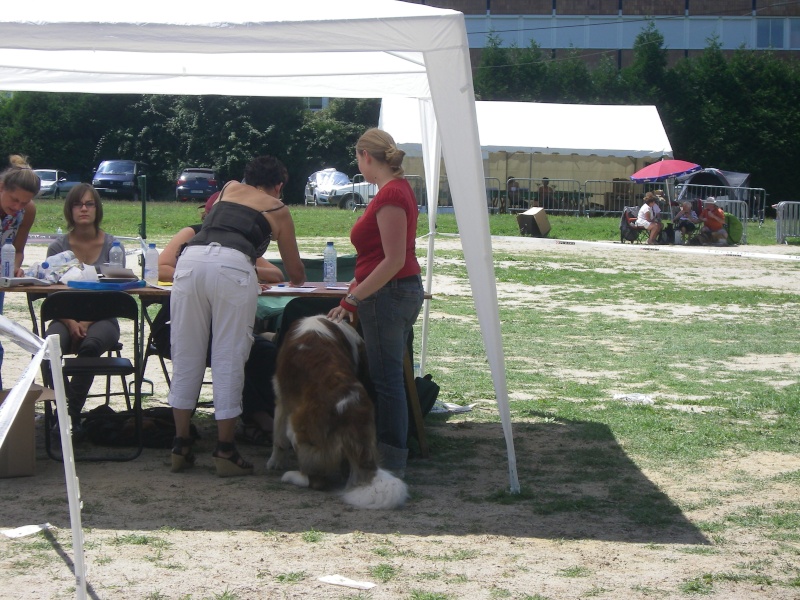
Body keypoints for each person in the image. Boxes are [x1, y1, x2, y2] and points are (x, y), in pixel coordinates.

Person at [168, 155, 305, 477]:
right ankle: (225, 450)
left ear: (246, 177)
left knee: (186, 354)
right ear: (279, 186)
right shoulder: (278, 209)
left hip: (190, 261)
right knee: (229, 356)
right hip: (232, 266)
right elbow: (296, 273)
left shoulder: (229, 189)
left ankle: (181, 444)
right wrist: (290, 277)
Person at [327, 128, 424, 477]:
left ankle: (391, 461)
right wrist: (355, 289)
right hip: (392, 291)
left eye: (357, 158)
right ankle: (390, 456)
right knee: (388, 379)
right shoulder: (394, 191)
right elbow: (381, 255)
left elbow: (394, 260)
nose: (358, 165)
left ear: (366, 156)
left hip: (390, 294)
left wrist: (353, 297)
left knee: (387, 382)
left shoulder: (390, 195)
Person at [156, 195, 284, 445]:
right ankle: (251, 422)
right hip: (180, 322)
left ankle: (263, 417)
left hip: (223, 322)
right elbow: (161, 268)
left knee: (263, 351)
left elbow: (277, 273)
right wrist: (212, 274)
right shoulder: (192, 234)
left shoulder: (238, 242)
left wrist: (241, 270)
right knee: (226, 355)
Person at [45, 185, 125, 438]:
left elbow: (117, 293)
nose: (83, 209)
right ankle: (67, 413)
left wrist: (88, 322)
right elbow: (52, 294)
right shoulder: (57, 247)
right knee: (49, 347)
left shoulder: (113, 245)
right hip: (65, 316)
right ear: (69, 210)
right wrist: (70, 322)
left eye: (89, 204)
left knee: (90, 346)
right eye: (78, 204)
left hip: (102, 318)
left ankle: (70, 414)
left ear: (97, 208)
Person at [0, 155, 40, 390]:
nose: (17, 208)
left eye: (24, 203)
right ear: (2, 187)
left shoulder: (28, 211)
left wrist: (14, 268)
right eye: (14, 200)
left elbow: (18, 249)